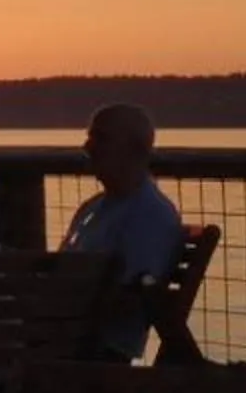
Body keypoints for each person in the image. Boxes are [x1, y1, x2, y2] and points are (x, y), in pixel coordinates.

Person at [61, 102, 184, 361]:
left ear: (135, 150)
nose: (88, 148)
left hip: (96, 351)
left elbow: (132, 300)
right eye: (90, 138)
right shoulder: (94, 207)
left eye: (100, 139)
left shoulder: (150, 215)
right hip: (68, 336)